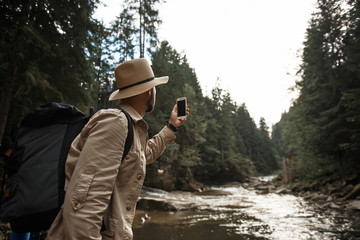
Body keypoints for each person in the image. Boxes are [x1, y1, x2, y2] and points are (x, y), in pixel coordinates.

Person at [46, 58, 189, 240]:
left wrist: (172, 127)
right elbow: (84, 204)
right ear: (148, 92)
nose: (155, 92)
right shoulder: (116, 123)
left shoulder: (129, 126)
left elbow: (145, 153)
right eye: (154, 87)